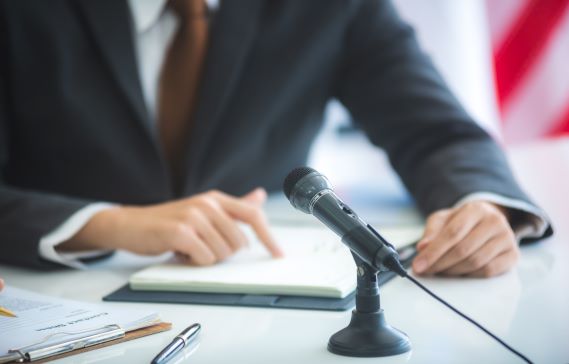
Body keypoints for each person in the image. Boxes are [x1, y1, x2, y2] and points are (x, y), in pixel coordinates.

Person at [0, 0, 551, 276]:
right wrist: (106, 223)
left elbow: (438, 134)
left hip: (266, 299)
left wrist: (482, 207)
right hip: (56, 295)